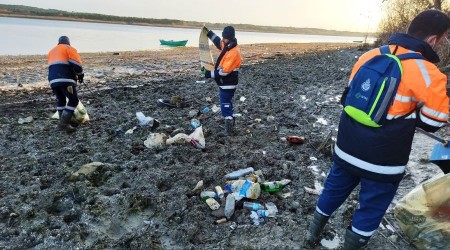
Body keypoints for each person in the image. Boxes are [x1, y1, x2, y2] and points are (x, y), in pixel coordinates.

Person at [305, 9, 450, 249]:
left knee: (333, 190)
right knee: (371, 207)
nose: (443, 42)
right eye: (444, 38)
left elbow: (349, 96)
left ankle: (310, 237)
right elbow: (434, 122)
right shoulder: (429, 73)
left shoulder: (370, 55)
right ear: (433, 40)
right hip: (383, 160)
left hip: (346, 147)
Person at [201, 26, 242, 135]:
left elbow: (224, 72)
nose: (223, 39)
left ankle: (228, 123)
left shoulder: (234, 52)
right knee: (227, 101)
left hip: (228, 83)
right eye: (223, 37)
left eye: (225, 38)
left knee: (225, 103)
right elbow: (218, 42)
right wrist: (209, 33)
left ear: (230, 38)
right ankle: (231, 120)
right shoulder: (229, 45)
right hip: (226, 83)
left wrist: (209, 74)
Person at [48, 36, 84, 133]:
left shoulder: (51, 51)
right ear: (68, 43)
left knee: (61, 101)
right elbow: (77, 65)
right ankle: (63, 124)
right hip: (66, 79)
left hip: (52, 80)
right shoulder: (69, 49)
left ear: (58, 43)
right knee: (73, 101)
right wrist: (80, 75)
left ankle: (63, 123)